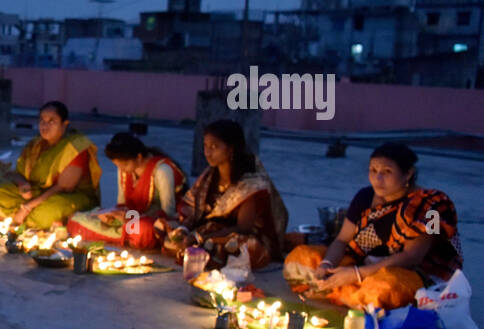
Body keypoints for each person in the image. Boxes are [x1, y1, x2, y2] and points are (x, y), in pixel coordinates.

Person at [315, 143, 462, 289]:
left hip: (411, 275)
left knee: (386, 288)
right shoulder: (364, 196)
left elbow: (412, 256)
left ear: (408, 173)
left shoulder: (430, 205)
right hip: (363, 267)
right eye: (373, 170)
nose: (377, 178)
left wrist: (358, 274)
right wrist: (326, 265)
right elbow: (342, 240)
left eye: (387, 172)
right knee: (310, 259)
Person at [158, 119, 288, 270]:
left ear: (230, 149)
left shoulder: (252, 184)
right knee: (162, 227)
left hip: (240, 237)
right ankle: (195, 248)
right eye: (205, 146)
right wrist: (183, 231)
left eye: (214, 147)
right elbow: (191, 209)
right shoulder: (210, 174)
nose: (207, 152)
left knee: (237, 247)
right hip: (210, 231)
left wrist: (199, 238)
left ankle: (199, 250)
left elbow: (243, 228)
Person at [0, 101, 100, 229]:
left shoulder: (76, 146)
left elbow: (63, 187)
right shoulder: (35, 145)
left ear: (64, 124)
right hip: (38, 193)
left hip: (69, 197)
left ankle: (16, 217)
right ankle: (18, 217)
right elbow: (18, 174)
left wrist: (28, 207)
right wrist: (23, 184)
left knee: (46, 213)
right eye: (42, 121)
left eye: (51, 121)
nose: (45, 126)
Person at [67, 132, 186, 248]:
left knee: (142, 231)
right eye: (118, 166)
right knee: (76, 219)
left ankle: (124, 234)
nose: (121, 169)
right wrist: (112, 215)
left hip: (154, 222)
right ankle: (124, 235)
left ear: (139, 157)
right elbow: (122, 205)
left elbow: (168, 214)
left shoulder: (162, 171)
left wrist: (129, 218)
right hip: (131, 219)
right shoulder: (125, 171)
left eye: (124, 165)